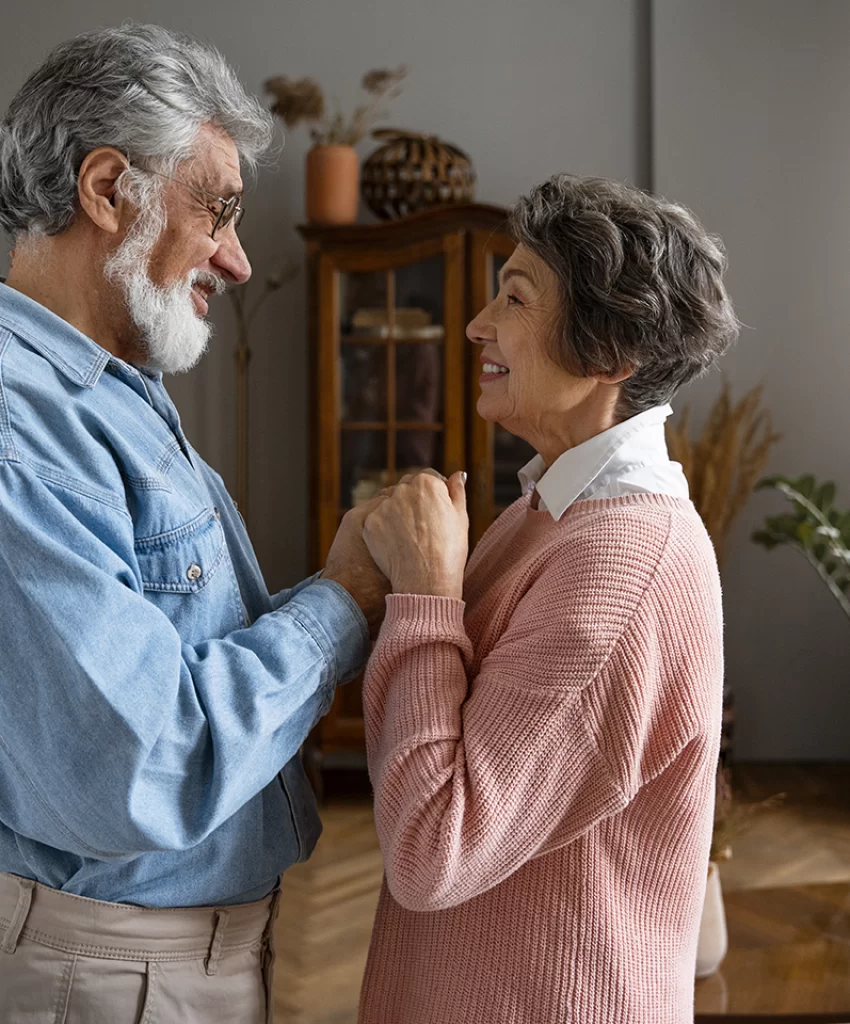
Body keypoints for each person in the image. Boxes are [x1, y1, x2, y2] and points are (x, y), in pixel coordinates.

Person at [0, 24, 387, 1023]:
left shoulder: (108, 393)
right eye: (216, 208)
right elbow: (142, 766)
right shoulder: (21, 424)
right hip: (104, 976)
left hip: (157, 962)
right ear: (104, 189)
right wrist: (343, 602)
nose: (238, 258)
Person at [357, 175, 739, 1024]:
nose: (477, 324)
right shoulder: (550, 512)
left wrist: (425, 595)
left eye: (515, 299)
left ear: (609, 354)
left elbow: (432, 848)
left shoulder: (619, 564)